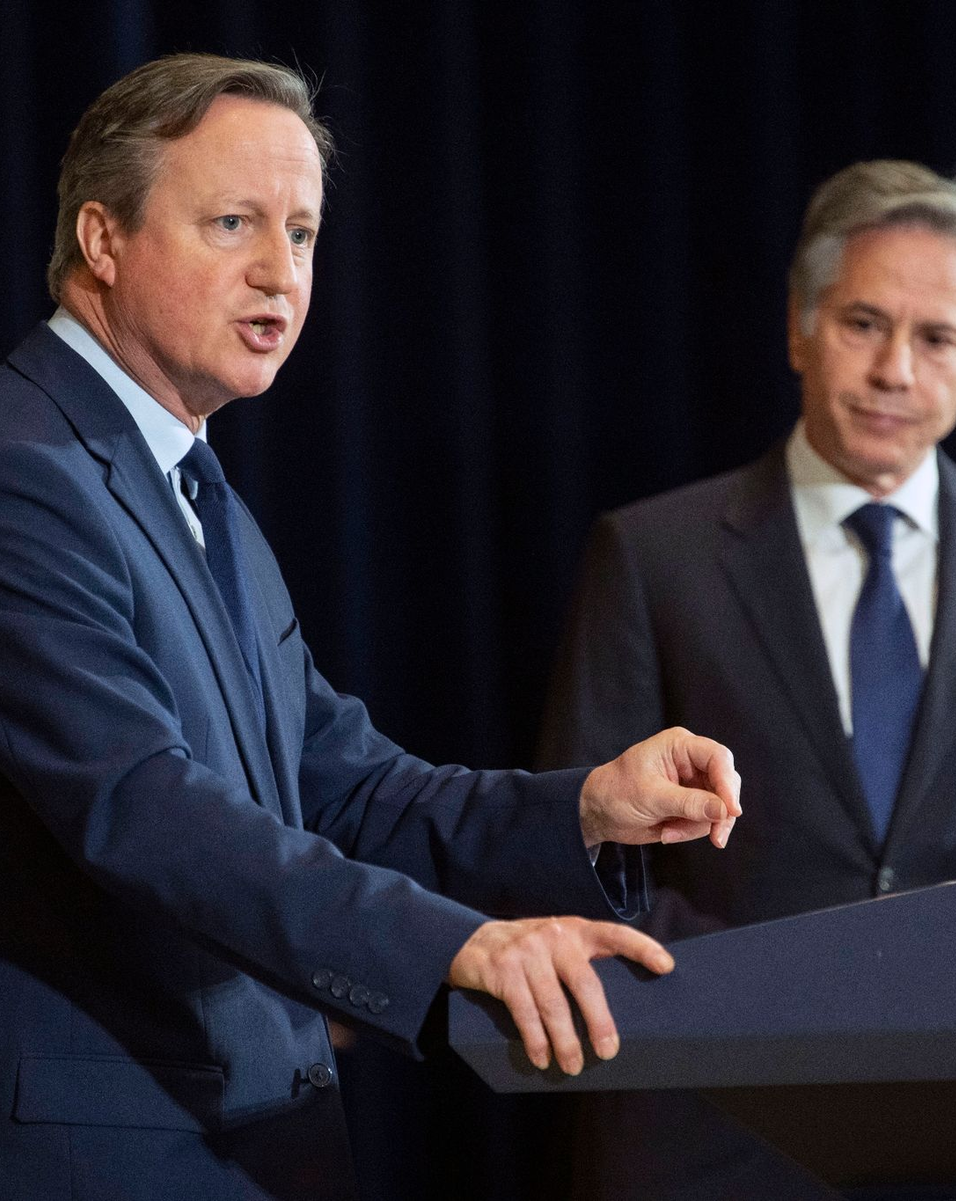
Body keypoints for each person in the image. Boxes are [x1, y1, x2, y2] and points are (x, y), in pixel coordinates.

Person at [0, 55, 742, 1201]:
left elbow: (343, 786)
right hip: (110, 1156)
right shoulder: (27, 470)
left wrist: (584, 806)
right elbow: (140, 805)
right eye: (233, 223)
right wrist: (452, 944)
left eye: (299, 234)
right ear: (103, 239)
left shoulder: (195, 492)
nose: (277, 275)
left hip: (248, 1150)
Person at [538, 159, 956, 1199]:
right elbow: (581, 857)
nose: (896, 368)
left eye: (936, 338)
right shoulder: (655, 555)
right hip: (721, 1125)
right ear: (800, 329)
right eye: (863, 324)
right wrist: (778, 997)